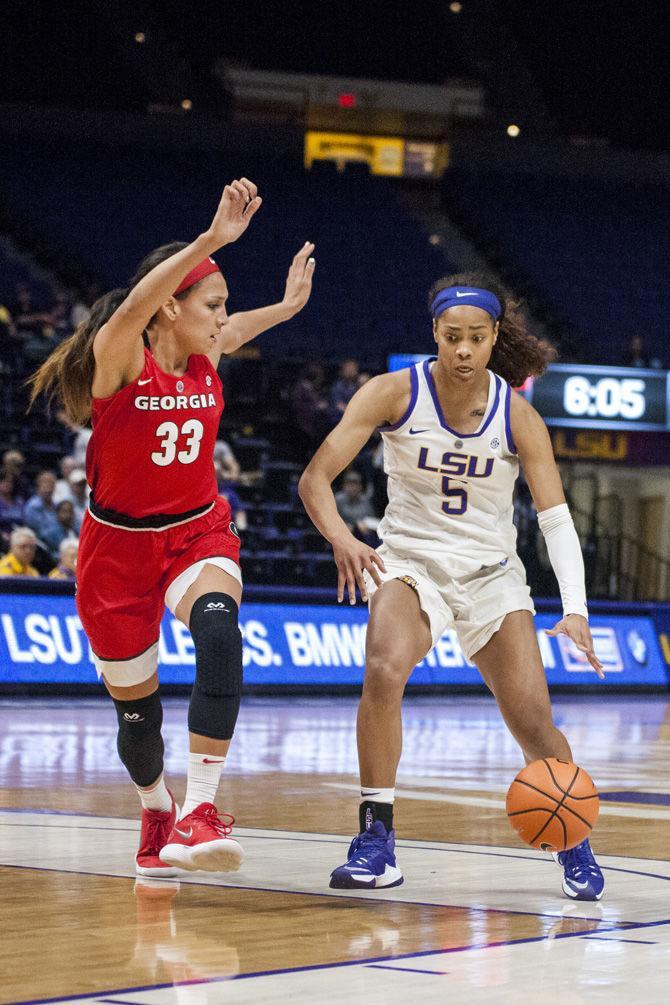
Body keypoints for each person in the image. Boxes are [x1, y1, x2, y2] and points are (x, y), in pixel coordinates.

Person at [29, 177, 315, 877]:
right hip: (115, 551)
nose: (225, 318)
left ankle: (201, 808)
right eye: (212, 305)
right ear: (170, 307)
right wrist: (213, 240)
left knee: (219, 627)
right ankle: (157, 806)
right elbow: (129, 306)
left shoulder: (207, 351)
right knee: (139, 723)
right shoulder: (122, 355)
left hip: (195, 531)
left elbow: (242, 327)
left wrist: (287, 306)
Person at [299, 273, 606, 902]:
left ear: (494, 338)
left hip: (492, 574)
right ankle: (376, 838)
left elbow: (554, 518)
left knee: (534, 725)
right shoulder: (391, 392)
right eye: (452, 336)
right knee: (383, 669)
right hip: (411, 562)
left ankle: (573, 837)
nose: (463, 349)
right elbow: (315, 478)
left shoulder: (519, 417)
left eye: (476, 337)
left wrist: (574, 609)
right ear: (434, 333)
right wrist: (344, 540)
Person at [334, 468, 379, 546]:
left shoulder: (366, 500)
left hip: (362, 534)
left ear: (360, 486)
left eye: (355, 484)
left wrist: (363, 524)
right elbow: (332, 519)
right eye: (350, 484)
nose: (352, 487)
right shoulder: (338, 499)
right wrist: (344, 525)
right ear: (344, 486)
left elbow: (371, 518)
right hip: (342, 532)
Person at [23, 470, 61, 545]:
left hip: (58, 543)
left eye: (51, 483)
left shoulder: (56, 505)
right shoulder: (33, 506)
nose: (48, 486)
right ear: (38, 486)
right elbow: (41, 534)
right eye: (45, 482)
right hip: (41, 546)